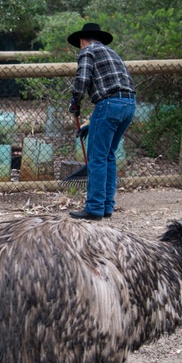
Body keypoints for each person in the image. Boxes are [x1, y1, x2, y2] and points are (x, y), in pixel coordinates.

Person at [67, 22, 136, 220]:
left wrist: (75, 102)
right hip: (129, 105)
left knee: (97, 157)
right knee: (109, 156)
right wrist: (91, 125)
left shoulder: (87, 51)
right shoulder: (112, 53)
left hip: (109, 105)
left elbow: (82, 79)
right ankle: (106, 206)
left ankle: (94, 208)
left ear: (82, 41)